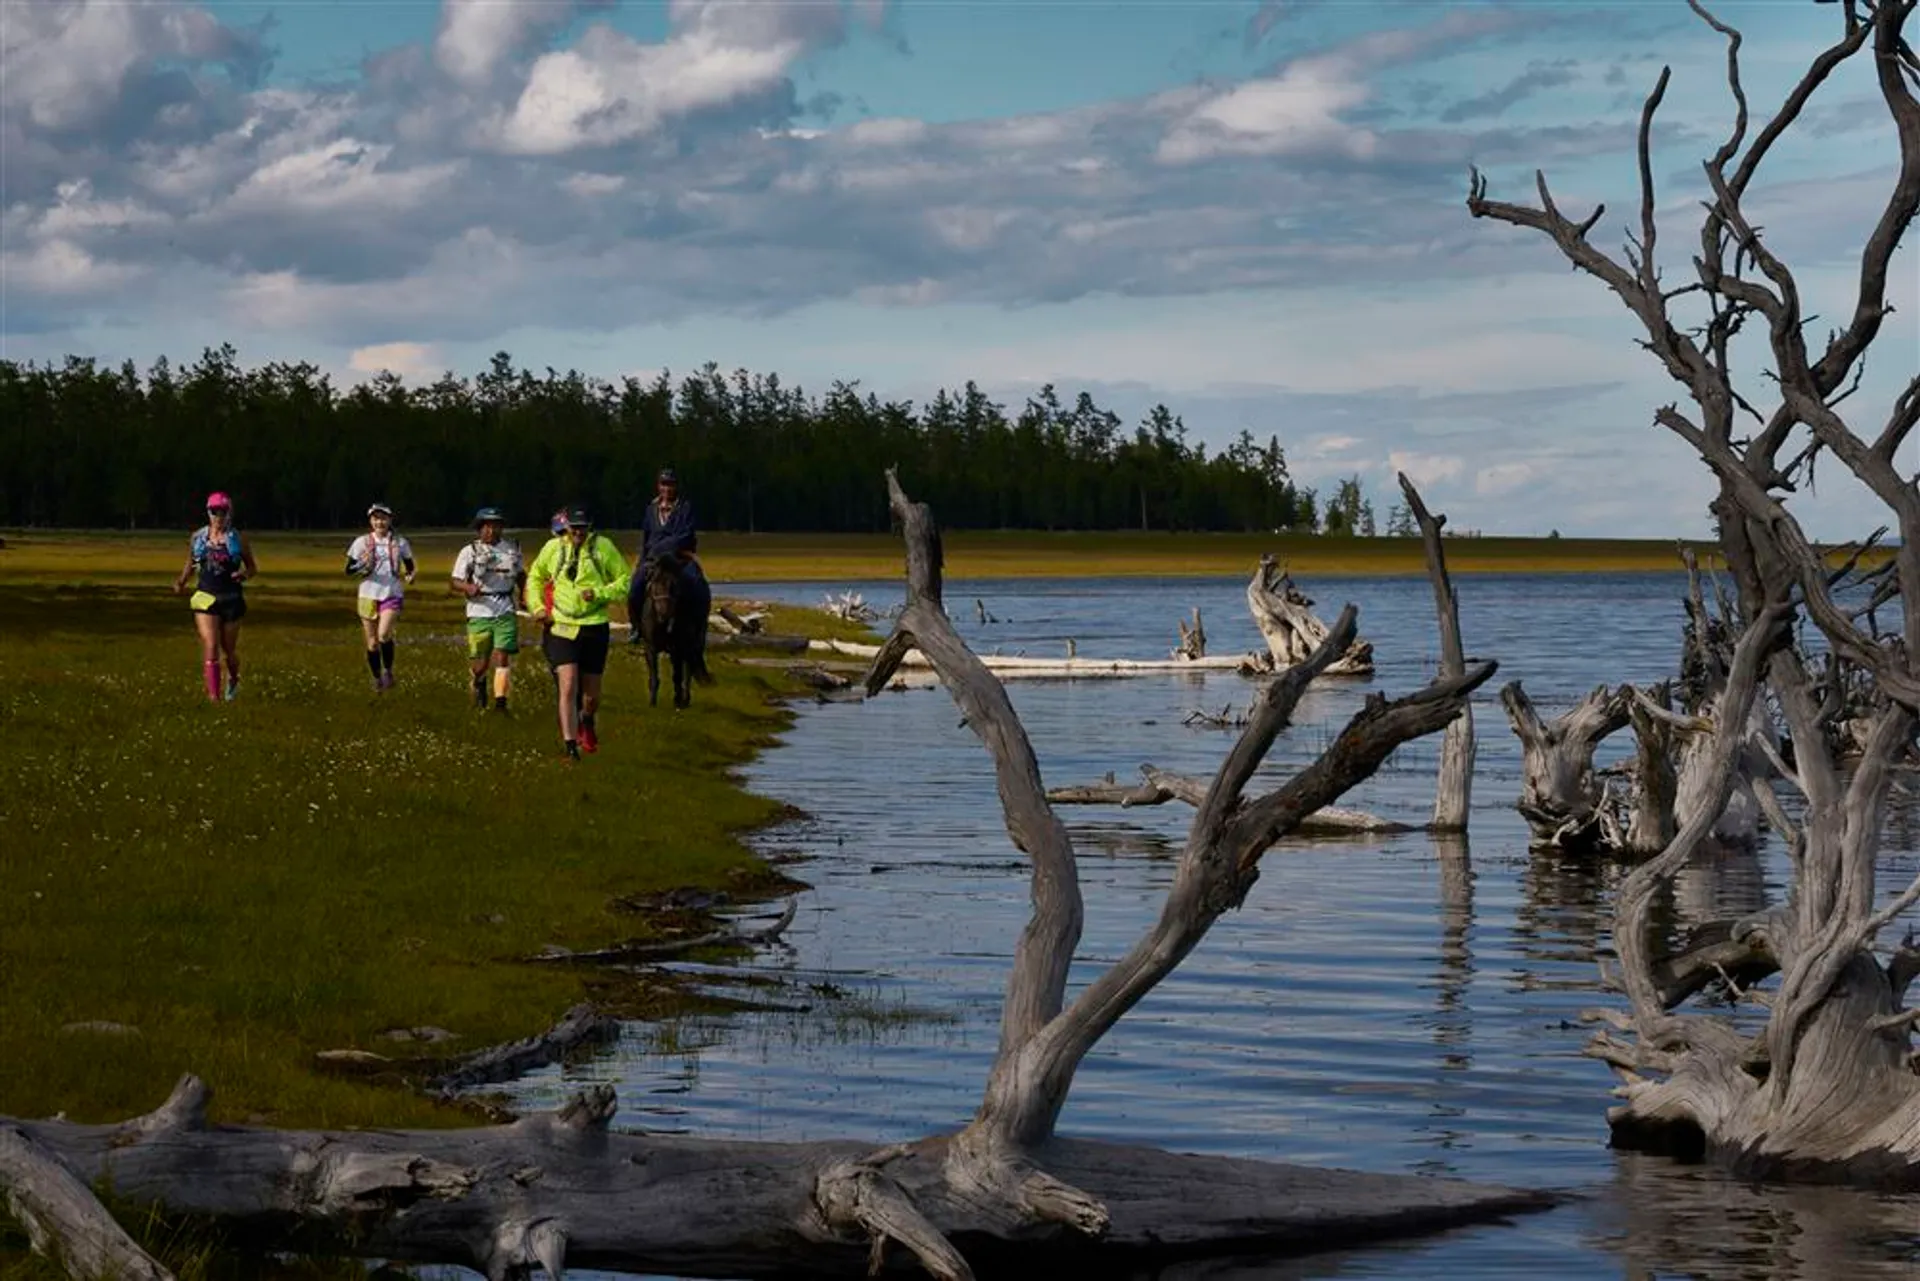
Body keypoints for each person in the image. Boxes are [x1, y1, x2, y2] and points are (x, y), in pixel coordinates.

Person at [525, 507, 630, 760]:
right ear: (566, 527)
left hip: (594, 625)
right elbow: (535, 578)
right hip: (561, 625)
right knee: (568, 683)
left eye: (582, 527)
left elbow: (624, 581)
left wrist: (599, 594)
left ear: (590, 527)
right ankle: (570, 746)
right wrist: (538, 608)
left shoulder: (603, 547)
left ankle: (587, 718)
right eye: (573, 527)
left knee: (591, 696)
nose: (578, 532)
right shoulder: (553, 548)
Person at [172, 491, 257, 703]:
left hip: (231, 598)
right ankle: (214, 697)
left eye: (223, 512)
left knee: (229, 650)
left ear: (229, 513)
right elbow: (191, 562)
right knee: (211, 644)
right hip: (205, 596)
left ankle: (234, 678)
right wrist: (181, 581)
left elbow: (252, 567)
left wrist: (243, 574)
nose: (218, 516)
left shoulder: (238, 539)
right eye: (214, 511)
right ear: (208, 512)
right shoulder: (198, 538)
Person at [628, 467, 712, 655]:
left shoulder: (685, 508)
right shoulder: (651, 509)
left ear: (676, 487)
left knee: (696, 582)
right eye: (664, 484)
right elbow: (646, 536)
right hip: (653, 560)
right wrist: (642, 561)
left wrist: (662, 547)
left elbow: (686, 535)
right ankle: (636, 626)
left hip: (679, 557)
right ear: (658, 486)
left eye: (671, 484)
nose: (667, 488)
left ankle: (698, 625)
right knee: (635, 586)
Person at [450, 506, 525, 712]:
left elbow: (520, 574)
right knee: (480, 664)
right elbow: (455, 581)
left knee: (502, 655)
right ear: (479, 529)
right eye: (487, 527)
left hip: (505, 608)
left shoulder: (512, 549)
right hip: (479, 611)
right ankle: (479, 681)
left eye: (496, 526)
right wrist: (468, 587)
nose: (491, 531)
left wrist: (525, 594)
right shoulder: (469, 551)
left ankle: (501, 703)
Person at [345, 502, 415, 691]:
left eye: (383, 518)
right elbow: (348, 570)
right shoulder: (361, 542)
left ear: (390, 520)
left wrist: (410, 575)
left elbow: (409, 564)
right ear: (371, 521)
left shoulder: (400, 542)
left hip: (391, 593)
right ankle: (376, 678)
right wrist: (362, 563)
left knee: (384, 634)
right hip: (368, 594)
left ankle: (388, 671)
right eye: (376, 518)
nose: (380, 522)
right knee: (372, 642)